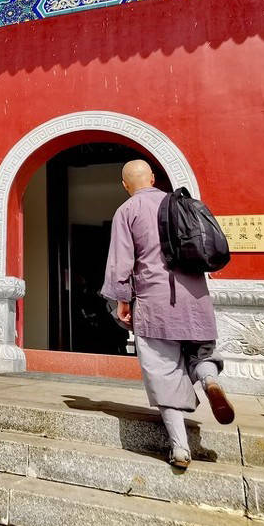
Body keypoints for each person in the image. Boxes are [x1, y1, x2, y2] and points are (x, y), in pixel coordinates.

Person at [100, 159, 234, 469]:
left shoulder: (127, 210)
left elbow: (122, 261)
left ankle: (180, 448)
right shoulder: (181, 203)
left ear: (125, 185)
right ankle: (210, 382)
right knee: (200, 355)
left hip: (155, 302)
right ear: (153, 178)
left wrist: (121, 300)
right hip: (196, 298)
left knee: (163, 371)